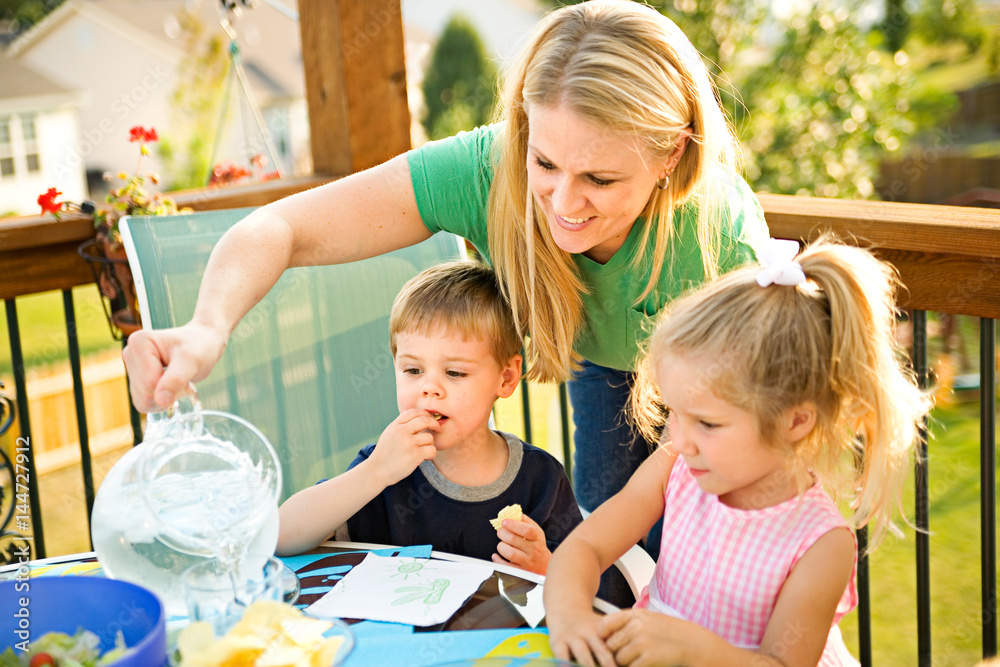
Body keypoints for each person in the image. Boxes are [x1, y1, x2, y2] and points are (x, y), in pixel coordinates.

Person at [122, 0, 768, 600]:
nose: (565, 205)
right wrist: (208, 327)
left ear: (670, 154)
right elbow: (279, 228)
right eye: (545, 163)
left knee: (707, 558)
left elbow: (749, 427)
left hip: (731, 387)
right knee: (616, 547)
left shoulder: (718, 238)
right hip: (603, 361)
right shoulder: (487, 168)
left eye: (600, 178)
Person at [544, 237, 932, 666]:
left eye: (708, 424)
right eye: (675, 412)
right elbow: (585, 548)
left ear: (795, 422)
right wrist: (569, 618)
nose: (680, 438)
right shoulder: (674, 465)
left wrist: (695, 651)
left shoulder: (821, 545)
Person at [275, 261, 582, 575]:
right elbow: (282, 537)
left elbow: (591, 587)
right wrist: (376, 470)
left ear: (505, 378)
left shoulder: (540, 479)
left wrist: (546, 568)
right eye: (413, 370)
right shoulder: (384, 467)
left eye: (454, 372)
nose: (429, 388)